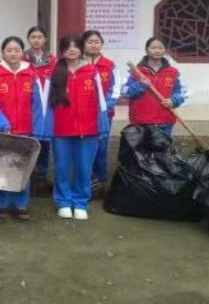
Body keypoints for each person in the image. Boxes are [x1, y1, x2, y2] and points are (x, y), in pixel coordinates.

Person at [0, 36, 45, 220]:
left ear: (22, 52)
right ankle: (2, 203)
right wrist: (3, 124)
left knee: (23, 167)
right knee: (2, 166)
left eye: (17, 50)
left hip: (26, 131)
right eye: (9, 50)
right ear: (3, 53)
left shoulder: (31, 74)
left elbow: (38, 105)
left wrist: (37, 130)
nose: (13, 54)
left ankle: (21, 204)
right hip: (3, 131)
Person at [44, 35, 109, 221]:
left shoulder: (92, 71)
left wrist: (102, 126)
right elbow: (46, 103)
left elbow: (101, 102)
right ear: (62, 50)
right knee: (62, 168)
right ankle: (63, 202)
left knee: (84, 168)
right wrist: (46, 128)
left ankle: (80, 202)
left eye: (75, 46)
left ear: (81, 49)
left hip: (87, 130)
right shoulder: (53, 72)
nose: (71, 50)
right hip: (61, 130)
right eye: (67, 46)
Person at [122, 37, 186, 138]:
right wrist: (140, 85)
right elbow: (124, 92)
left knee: (162, 148)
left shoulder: (173, 72)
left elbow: (182, 93)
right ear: (146, 50)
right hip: (140, 122)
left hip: (164, 121)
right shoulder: (135, 71)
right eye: (153, 48)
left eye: (160, 48)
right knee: (141, 149)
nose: (157, 51)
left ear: (165, 50)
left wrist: (173, 100)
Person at [82, 30, 120, 196]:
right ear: (84, 44)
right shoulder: (78, 63)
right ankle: (86, 180)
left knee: (101, 148)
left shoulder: (110, 65)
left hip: (103, 115)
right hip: (82, 115)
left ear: (102, 44)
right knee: (84, 148)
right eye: (90, 42)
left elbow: (115, 90)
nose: (93, 45)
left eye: (97, 42)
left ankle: (101, 181)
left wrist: (104, 108)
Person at [23, 26, 56, 196]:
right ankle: (27, 177)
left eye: (40, 37)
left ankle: (42, 177)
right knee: (28, 142)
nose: (36, 40)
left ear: (45, 40)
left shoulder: (53, 60)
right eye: (33, 37)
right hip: (27, 107)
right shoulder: (21, 59)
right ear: (29, 39)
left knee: (44, 142)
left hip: (47, 108)